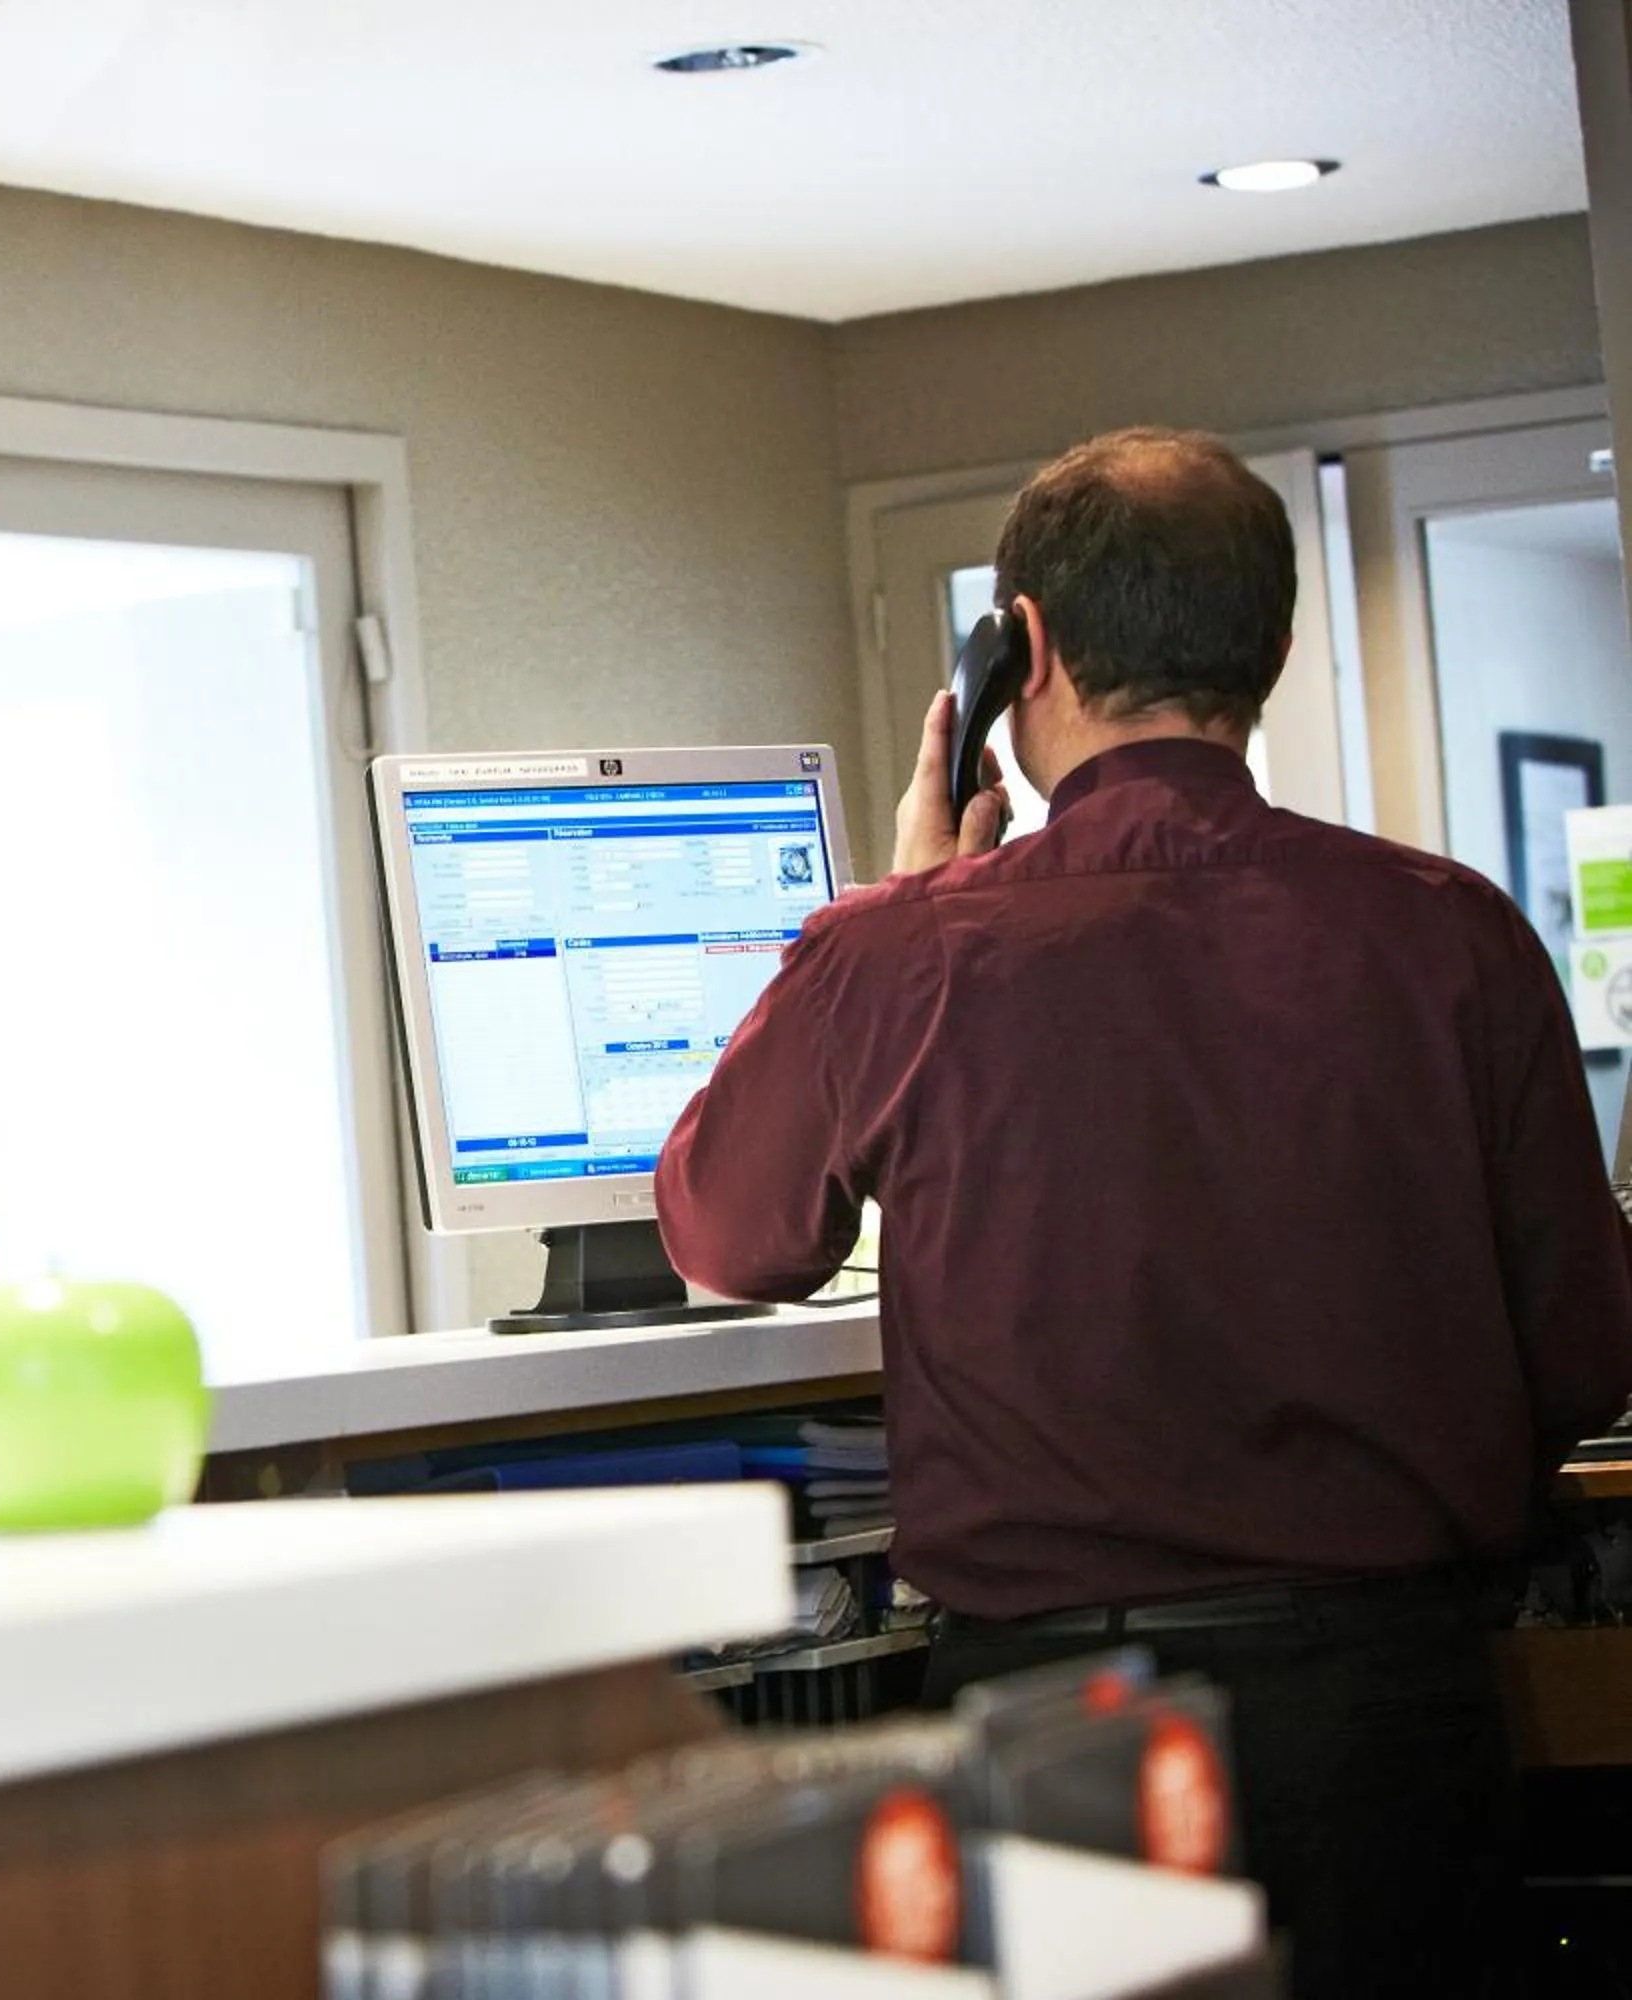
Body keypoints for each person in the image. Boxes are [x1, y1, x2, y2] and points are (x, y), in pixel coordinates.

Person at [653, 427, 1632, 1998]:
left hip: (1060, 1732)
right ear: (1276, 651)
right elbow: (1587, 1350)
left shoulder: (906, 953)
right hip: (1389, 1707)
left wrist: (898, 905)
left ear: (1015, 650)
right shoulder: (1457, 936)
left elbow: (730, 1232)